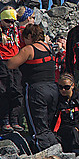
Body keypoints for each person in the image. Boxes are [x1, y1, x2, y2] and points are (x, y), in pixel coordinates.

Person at [7, 23, 59, 151]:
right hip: (53, 89)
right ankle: (55, 150)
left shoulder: (29, 49)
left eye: (25, 38)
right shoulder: (49, 47)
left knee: (38, 127)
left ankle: (43, 154)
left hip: (36, 90)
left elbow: (11, 64)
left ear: (30, 36)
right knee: (48, 124)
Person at [0, 8, 24, 134]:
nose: (11, 24)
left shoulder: (15, 31)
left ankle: (15, 120)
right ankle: (5, 121)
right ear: (1, 20)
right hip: (2, 63)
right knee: (4, 93)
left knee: (17, 92)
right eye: (8, 21)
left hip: (15, 62)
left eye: (13, 21)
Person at [54, 73, 79, 154]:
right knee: (72, 131)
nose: (63, 90)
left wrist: (77, 127)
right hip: (65, 128)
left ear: (72, 86)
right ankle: (75, 153)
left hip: (78, 125)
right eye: (60, 87)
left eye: (66, 87)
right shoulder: (57, 100)